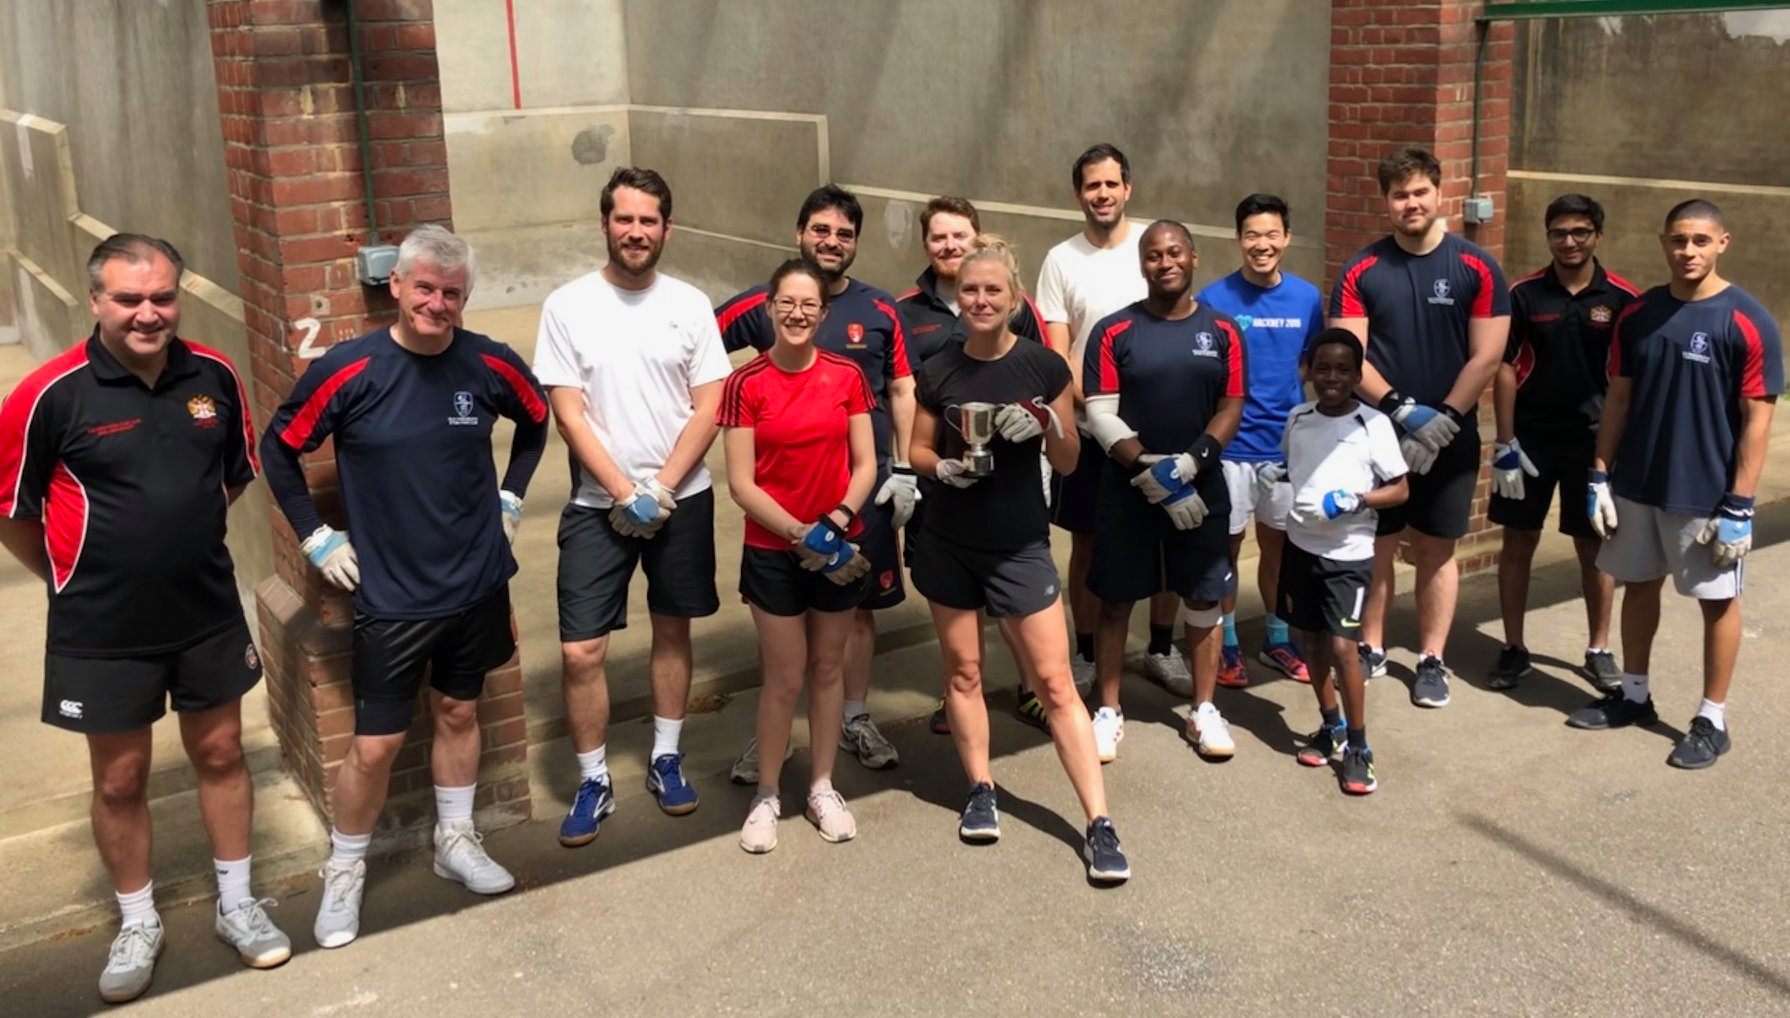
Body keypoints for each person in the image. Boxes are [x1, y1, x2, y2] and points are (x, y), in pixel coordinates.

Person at [0, 235, 287, 1002]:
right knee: (121, 779)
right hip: (100, 628)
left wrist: (174, 541)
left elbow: (230, 478)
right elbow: (13, 514)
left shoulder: (214, 377)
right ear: (95, 300)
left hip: (204, 613)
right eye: (128, 299)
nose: (147, 313)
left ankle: (237, 903)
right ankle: (138, 921)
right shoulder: (47, 396)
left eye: (161, 296)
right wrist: (76, 575)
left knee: (223, 753)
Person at [261, 225, 549, 948]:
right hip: (391, 595)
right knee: (376, 745)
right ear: (396, 286)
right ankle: (346, 871)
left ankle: (455, 842)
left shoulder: (489, 363)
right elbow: (278, 446)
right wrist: (315, 536)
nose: (437, 304)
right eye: (424, 288)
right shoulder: (350, 369)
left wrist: (510, 499)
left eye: (452, 294)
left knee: (458, 710)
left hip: (478, 581)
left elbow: (539, 422)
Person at [909, 235, 1130, 883]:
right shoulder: (938, 365)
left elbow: (1068, 459)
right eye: (969, 290)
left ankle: (1099, 821)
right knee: (964, 674)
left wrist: (1045, 425)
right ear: (958, 295)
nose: (979, 300)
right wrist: (942, 465)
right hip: (948, 541)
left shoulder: (1043, 367)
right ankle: (981, 789)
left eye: (992, 291)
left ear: (1013, 299)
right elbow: (918, 450)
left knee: (1057, 685)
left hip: (1018, 544)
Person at [532, 168, 731, 847]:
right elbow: (568, 412)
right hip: (597, 505)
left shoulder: (690, 303)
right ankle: (593, 779)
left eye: (649, 221)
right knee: (581, 650)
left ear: (667, 229)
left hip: (683, 500)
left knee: (672, 630)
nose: (637, 232)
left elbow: (710, 406)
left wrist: (662, 489)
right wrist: (624, 493)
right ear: (605, 224)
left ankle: (665, 757)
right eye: (625, 219)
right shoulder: (567, 305)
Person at [1571, 199, 1781, 770]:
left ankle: (1712, 719)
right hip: (1637, 484)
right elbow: (1618, 396)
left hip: (1707, 494)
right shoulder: (1638, 315)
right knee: (1639, 585)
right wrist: (1599, 473)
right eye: (1678, 240)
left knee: (1717, 602)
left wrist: (1741, 502)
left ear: (1722, 243)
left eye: (1700, 241)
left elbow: (1758, 416)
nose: (1688, 251)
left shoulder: (1747, 320)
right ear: (1663, 242)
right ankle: (1634, 694)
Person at [716, 185, 911, 778]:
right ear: (799, 233)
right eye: (820, 230)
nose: (831, 242)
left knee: (855, 613)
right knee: (783, 631)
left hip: (860, 493)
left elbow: (902, 387)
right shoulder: (759, 302)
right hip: (780, 507)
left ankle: (853, 717)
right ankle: (777, 737)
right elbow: (695, 351)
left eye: (844, 234)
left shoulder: (880, 310)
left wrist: (901, 467)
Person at [1330, 146, 1510, 708]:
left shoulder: (1476, 266)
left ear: (1440, 192)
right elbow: (1348, 353)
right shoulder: (1363, 268)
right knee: (1378, 546)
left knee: (1435, 549)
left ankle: (1433, 659)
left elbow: (1487, 355)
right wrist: (1405, 411)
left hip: (1450, 439)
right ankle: (1373, 646)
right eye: (1399, 194)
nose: (1410, 203)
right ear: (1386, 202)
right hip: (1378, 434)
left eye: (1419, 192)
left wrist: (1447, 419)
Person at [718, 258, 878, 853]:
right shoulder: (745, 384)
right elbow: (742, 483)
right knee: (784, 677)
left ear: (824, 313)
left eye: (809, 304)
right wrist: (798, 535)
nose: (798, 313)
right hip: (771, 551)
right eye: (787, 302)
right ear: (769, 308)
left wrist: (832, 527)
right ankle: (766, 794)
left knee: (828, 669)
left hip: (836, 547)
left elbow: (866, 464)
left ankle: (821, 787)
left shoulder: (847, 375)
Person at [1082, 221, 1246, 762]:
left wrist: (1189, 465)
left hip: (1201, 485)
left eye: (1174, 252)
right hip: (1127, 489)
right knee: (1115, 600)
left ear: (1194, 257)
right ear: (1142, 264)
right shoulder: (1114, 331)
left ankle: (1203, 710)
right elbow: (1099, 413)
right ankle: (1108, 712)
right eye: (1154, 255)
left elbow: (1231, 407)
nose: (1165, 262)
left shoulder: (1223, 330)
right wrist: (1149, 468)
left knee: (1202, 597)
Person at [895, 195, 1056, 734]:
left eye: (958, 235)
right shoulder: (905, 309)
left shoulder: (1018, 304)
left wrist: (1039, 426)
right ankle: (960, 695)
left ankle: (1032, 688)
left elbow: (1044, 382)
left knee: (1013, 599)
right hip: (942, 480)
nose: (949, 244)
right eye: (938, 237)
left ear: (976, 238)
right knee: (956, 603)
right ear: (927, 245)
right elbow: (901, 388)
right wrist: (919, 468)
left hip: (1009, 481)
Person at [1036, 144, 1189, 697]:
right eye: (1091, 185)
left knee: (1167, 538)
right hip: (1091, 429)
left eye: (1111, 184)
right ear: (1079, 193)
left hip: (1162, 427)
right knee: (1089, 545)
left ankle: (1162, 648)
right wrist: (1099, 417)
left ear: (1128, 188)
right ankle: (1083, 653)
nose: (1102, 194)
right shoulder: (1060, 259)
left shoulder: (1156, 246)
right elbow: (1057, 353)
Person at [1487, 194, 1640, 692]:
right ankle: (1513, 647)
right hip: (1530, 441)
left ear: (1597, 234)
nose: (1569, 242)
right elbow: (1505, 367)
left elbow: (1626, 381)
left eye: (1579, 232)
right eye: (1559, 232)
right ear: (1547, 235)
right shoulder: (1525, 293)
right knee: (1517, 543)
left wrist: (1612, 456)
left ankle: (1599, 648)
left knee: (1594, 546)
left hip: (1593, 444)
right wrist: (1504, 443)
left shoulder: (1622, 298)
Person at [1195, 194, 1325, 688]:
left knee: (1280, 551)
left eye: (1272, 235)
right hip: (1232, 450)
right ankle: (1226, 645)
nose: (1262, 245)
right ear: (1239, 240)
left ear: (1287, 239)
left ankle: (1276, 637)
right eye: (1252, 235)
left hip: (1286, 449)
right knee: (1225, 552)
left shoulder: (1308, 298)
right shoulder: (1215, 298)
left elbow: (1307, 364)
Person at [1280, 330, 1409, 795]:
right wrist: (1273, 482)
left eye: (1341, 370)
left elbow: (1400, 488)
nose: (1331, 378)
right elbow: (1290, 468)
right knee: (1309, 641)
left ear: (1357, 376)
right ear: (1308, 371)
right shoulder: (1297, 418)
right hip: (1301, 547)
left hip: (1348, 555)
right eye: (1322, 368)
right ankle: (1330, 724)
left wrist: (1356, 500)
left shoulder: (1372, 423)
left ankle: (1359, 747)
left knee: (1342, 649)